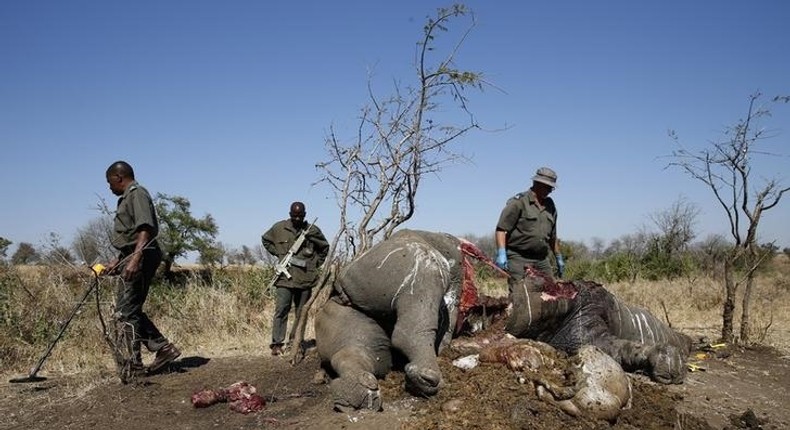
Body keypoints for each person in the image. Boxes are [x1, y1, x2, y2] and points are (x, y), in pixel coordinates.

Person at [104, 161, 180, 376]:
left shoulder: (137, 194)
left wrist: (135, 259)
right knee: (128, 309)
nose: (109, 187)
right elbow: (129, 238)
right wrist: (117, 261)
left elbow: (145, 229)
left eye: (109, 182)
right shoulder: (127, 197)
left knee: (126, 311)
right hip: (134, 255)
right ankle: (162, 348)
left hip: (143, 255)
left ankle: (136, 364)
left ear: (118, 177)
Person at [262, 201, 329, 356]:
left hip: (305, 279)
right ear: (290, 214)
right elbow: (266, 240)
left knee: (301, 312)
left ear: (304, 214)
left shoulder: (312, 230)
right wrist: (279, 254)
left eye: (300, 215)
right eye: (294, 215)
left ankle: (295, 342)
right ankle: (277, 344)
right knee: (281, 310)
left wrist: (314, 264)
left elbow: (324, 248)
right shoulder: (279, 228)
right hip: (284, 279)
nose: (297, 218)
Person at [494, 166, 565, 292]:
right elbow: (501, 229)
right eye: (547, 187)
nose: (550, 190)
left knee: (552, 293)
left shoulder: (550, 205)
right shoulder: (519, 202)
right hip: (518, 257)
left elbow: (553, 236)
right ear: (537, 183)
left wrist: (558, 257)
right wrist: (501, 253)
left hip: (541, 259)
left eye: (551, 188)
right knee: (520, 295)